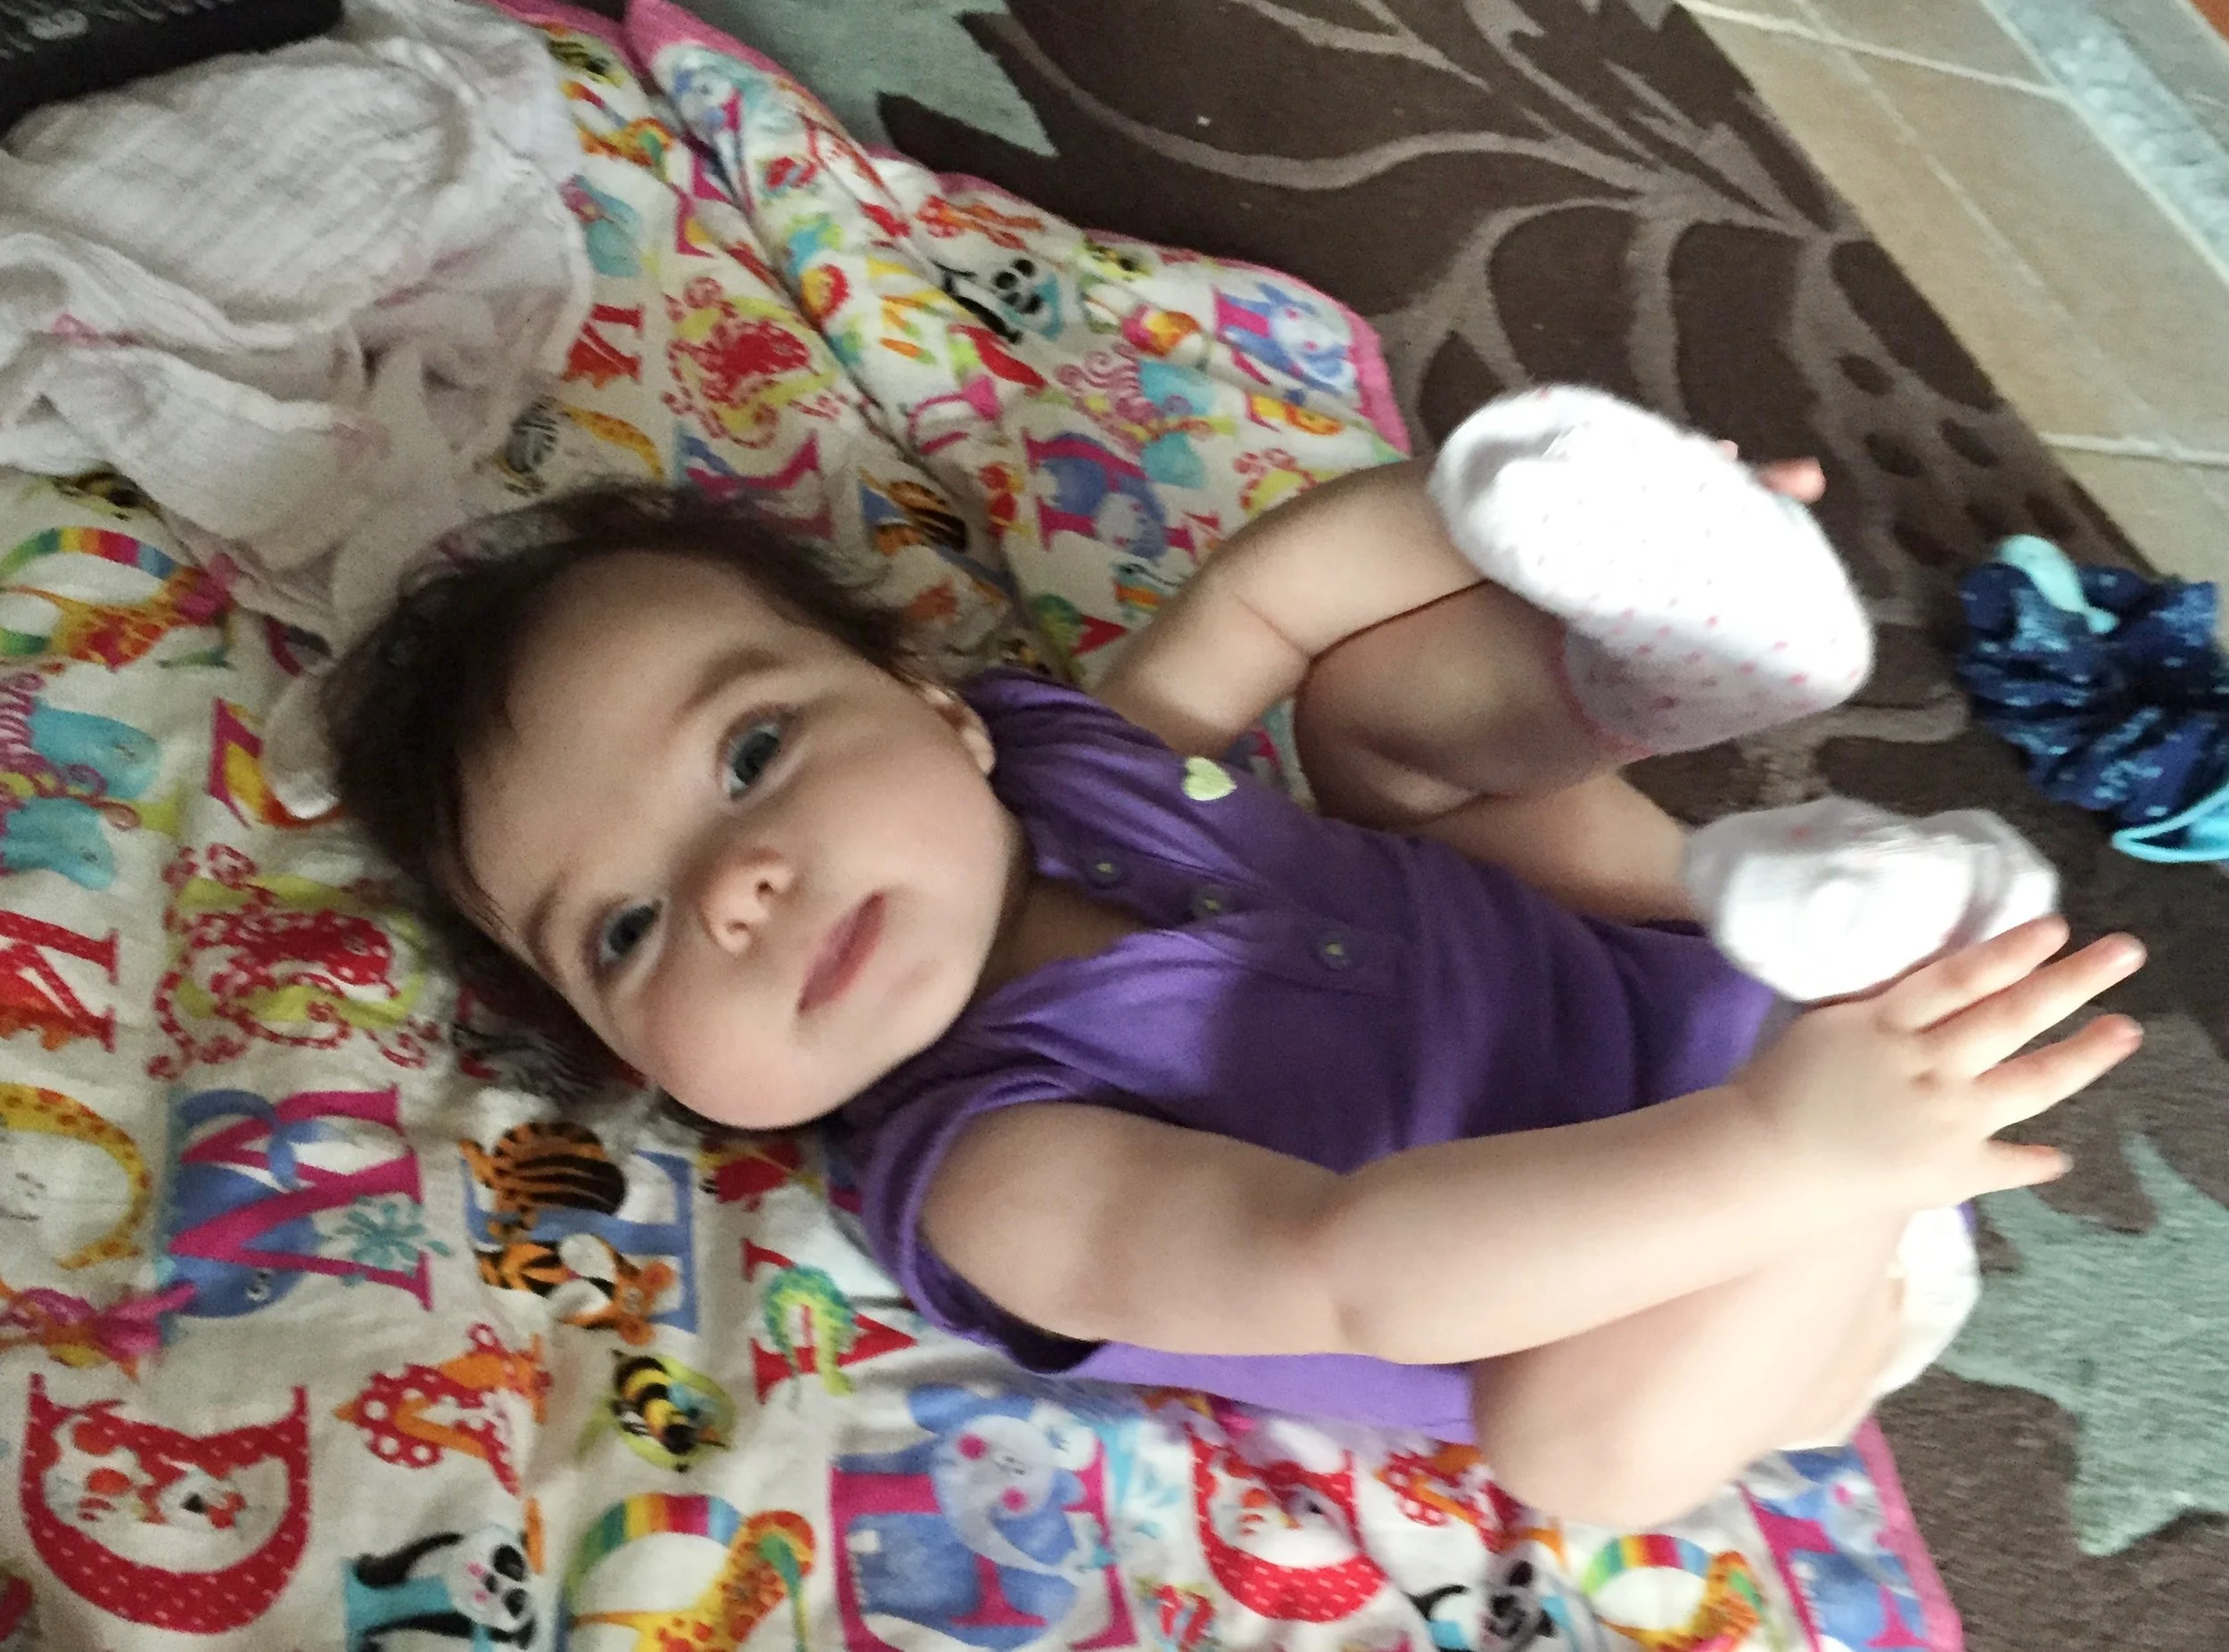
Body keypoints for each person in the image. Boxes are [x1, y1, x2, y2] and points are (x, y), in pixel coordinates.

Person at [325, 386, 2144, 1527]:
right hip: (1728, 1274)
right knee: (1567, 1453)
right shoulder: (984, 1170)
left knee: (1372, 711)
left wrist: (1513, 507)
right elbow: (1341, 1267)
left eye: (749, 757)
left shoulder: (1062, 750)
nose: (738, 882)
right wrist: (1786, 1154)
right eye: (630, 927)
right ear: (642, 1063)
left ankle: (1654, 663)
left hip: (1667, 951)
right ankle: (1858, 988)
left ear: (936, 713)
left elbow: (1266, 602)